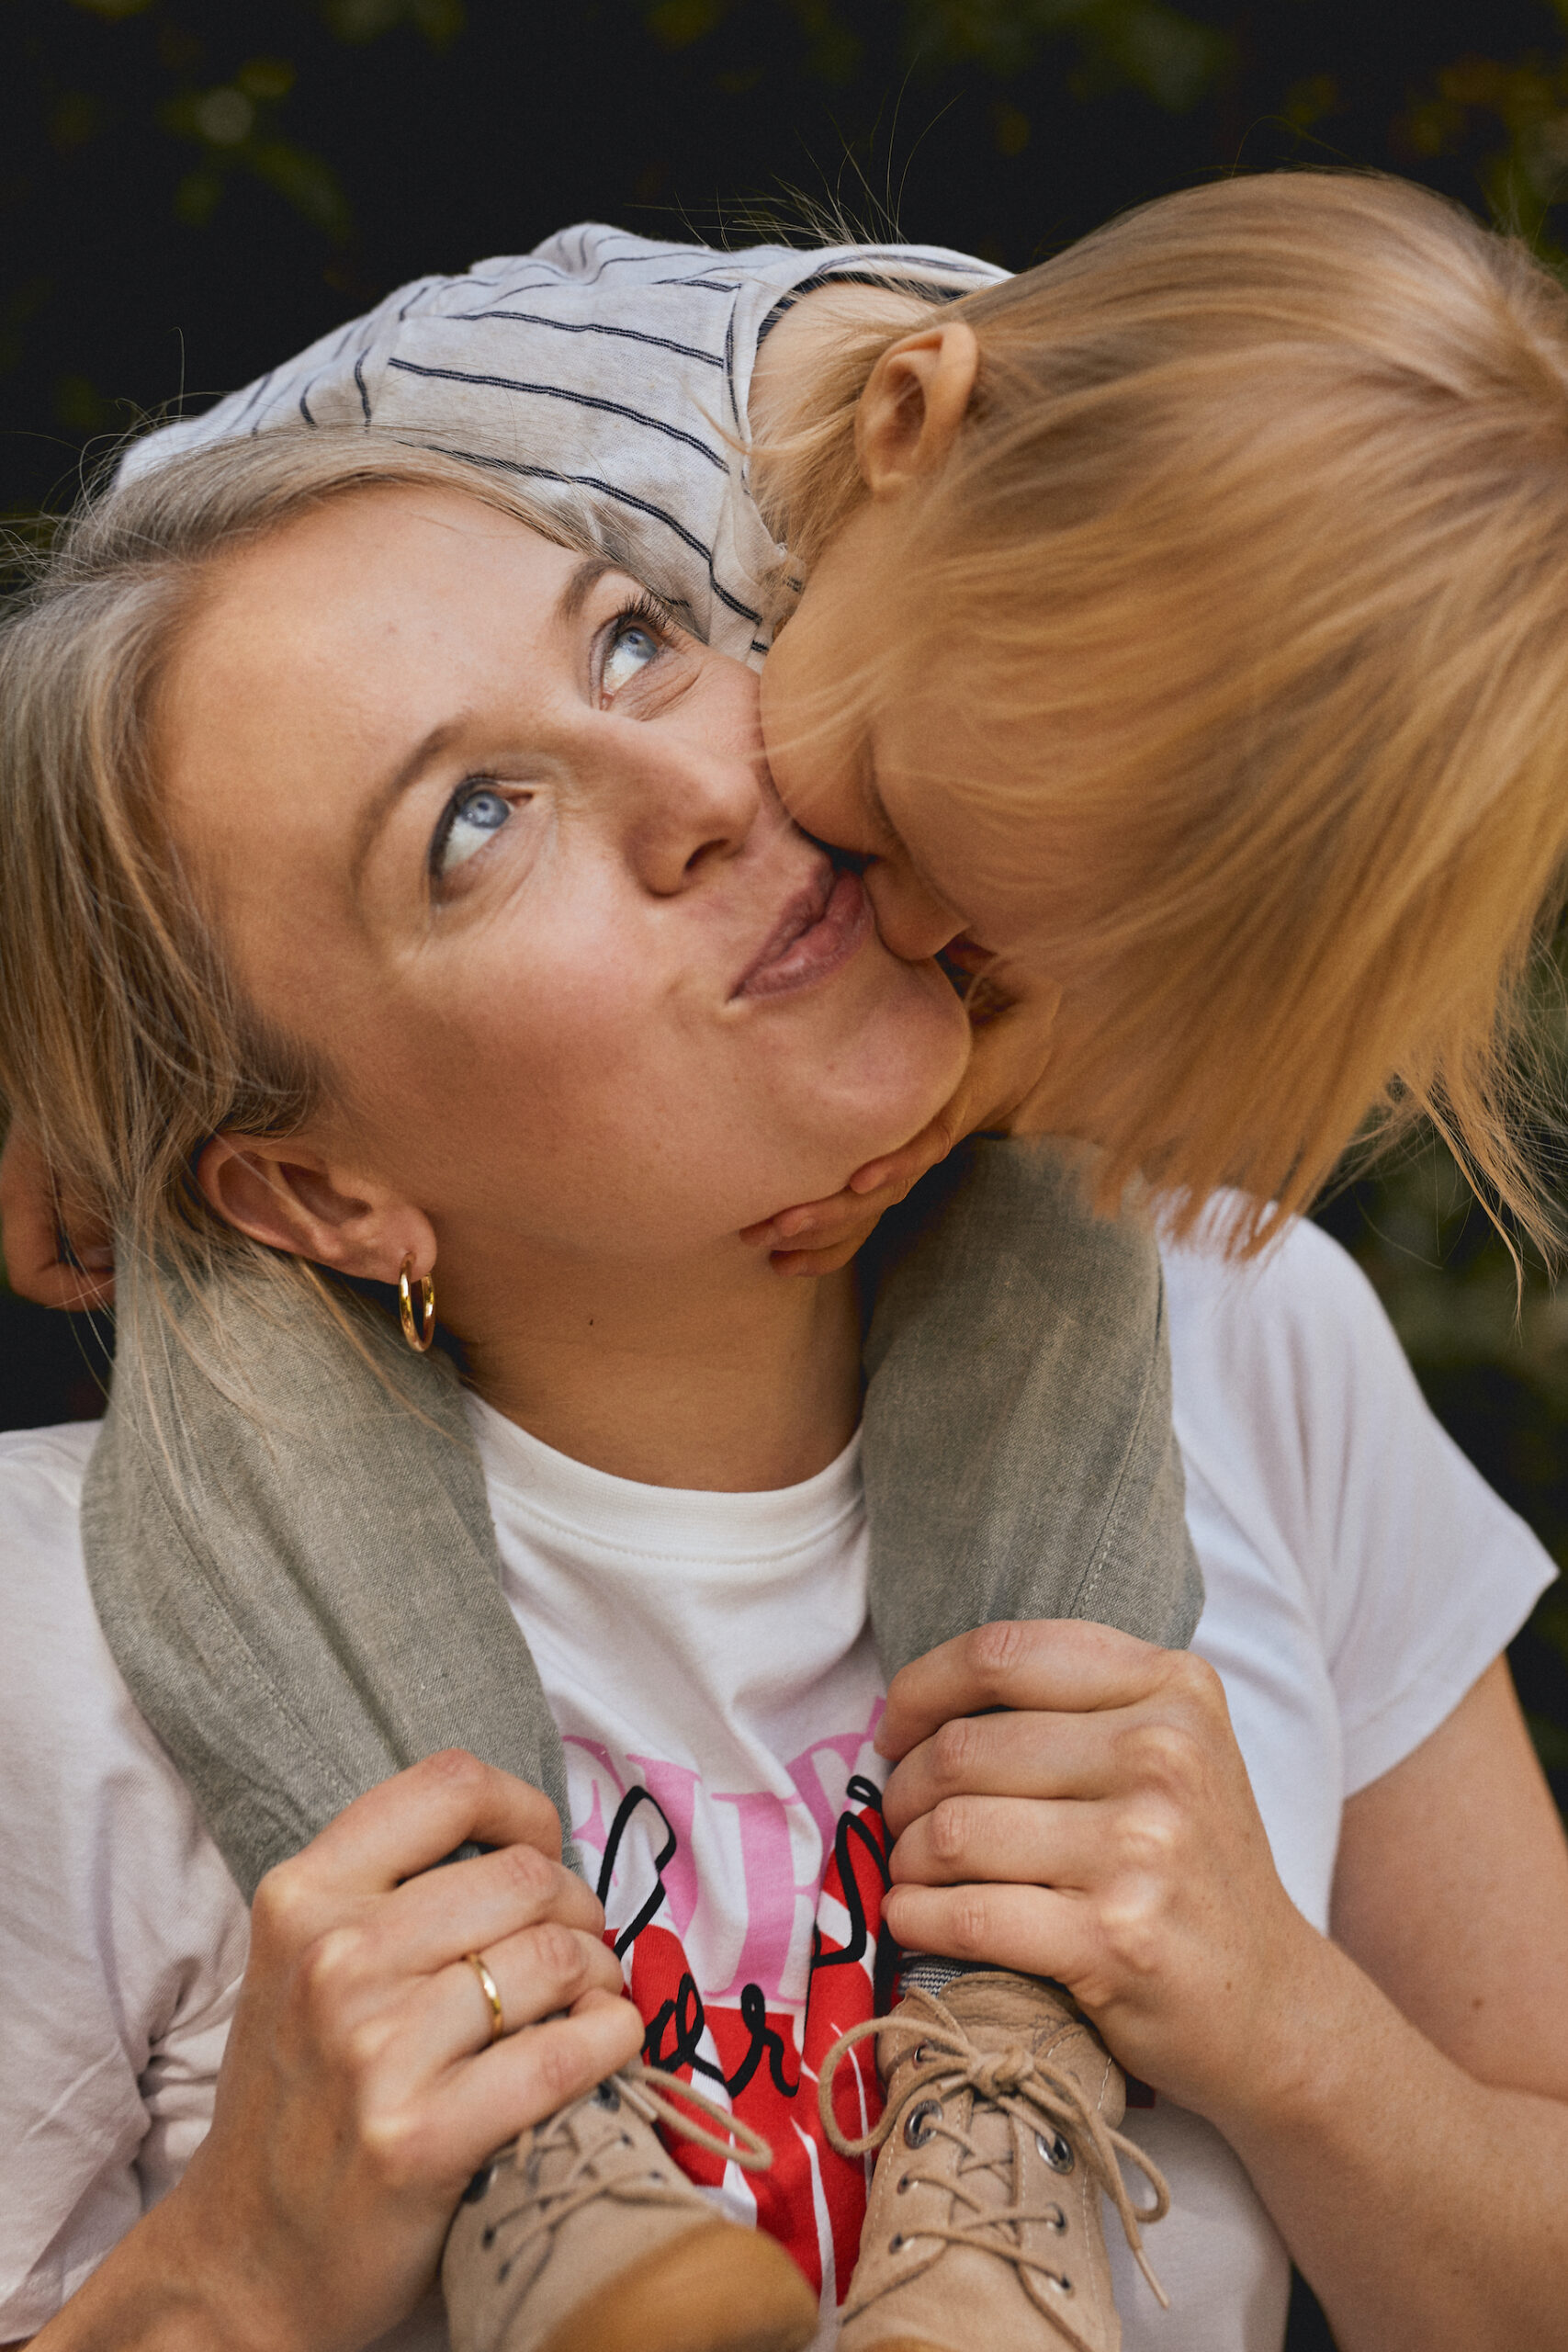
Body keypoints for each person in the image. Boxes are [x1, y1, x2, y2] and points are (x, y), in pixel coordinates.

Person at [1, 431, 1567, 2352]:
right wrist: (229, 2276)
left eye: (637, 642)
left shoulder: (1240, 1319)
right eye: (474, 824)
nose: (693, 789)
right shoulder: (60, 1619)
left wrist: (1289, 2025)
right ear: (323, 1189)